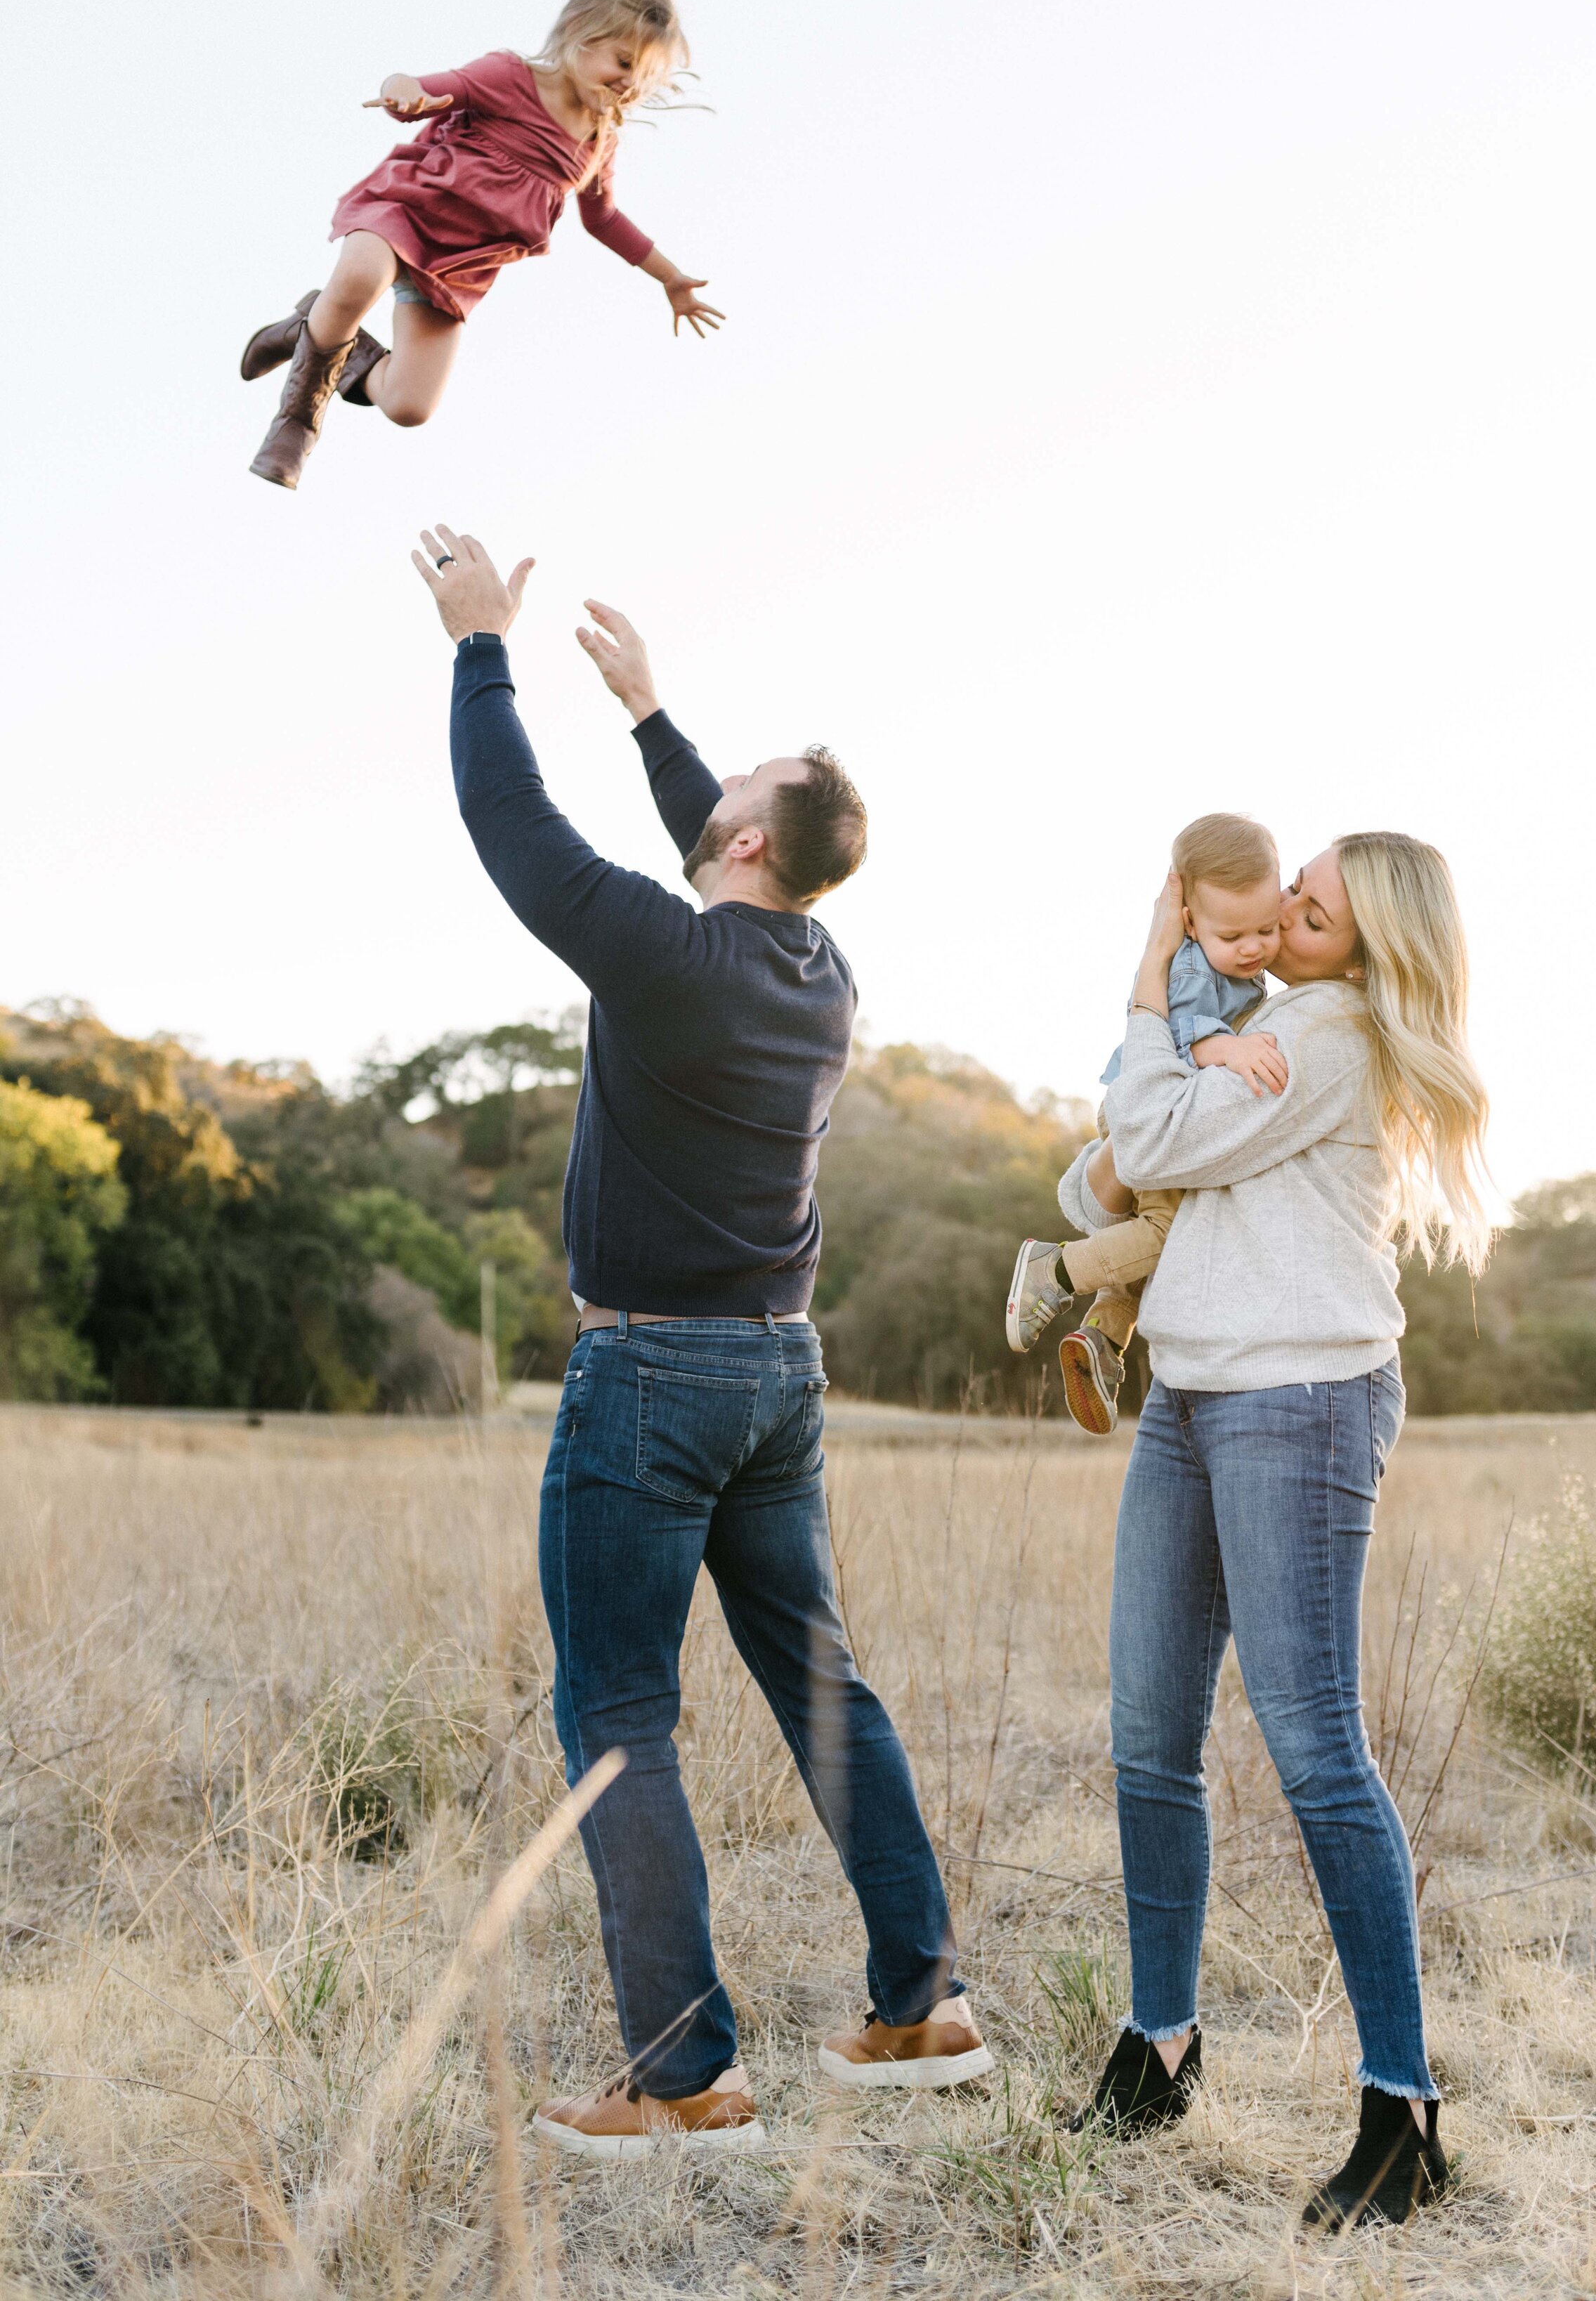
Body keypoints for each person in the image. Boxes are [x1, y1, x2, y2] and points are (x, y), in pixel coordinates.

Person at [411, 525, 991, 2160]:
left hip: (650, 1380)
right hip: (776, 1379)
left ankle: (683, 2076)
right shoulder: (818, 967)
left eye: (720, 788)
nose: (704, 802)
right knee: (820, 1684)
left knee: (618, 1716)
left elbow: (510, 827)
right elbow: (720, 842)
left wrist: (480, 649)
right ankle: (921, 2001)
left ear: (741, 839)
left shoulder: (666, 957)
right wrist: (658, 717)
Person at [1066, 836, 1491, 2234]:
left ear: (1366, 949)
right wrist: (1152, 1105)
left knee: (1314, 1752)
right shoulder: (1249, 1022)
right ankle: (1160, 2048)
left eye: (1309, 915)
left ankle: (1399, 2106)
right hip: (1187, 1401)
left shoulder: (1329, 1032)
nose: (1278, 923)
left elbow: (1141, 1144)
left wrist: (1146, 995)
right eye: (1287, 899)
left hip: (1296, 1405)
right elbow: (1106, 1183)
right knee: (1145, 1737)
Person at [244, 0, 721, 489]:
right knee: (359, 278)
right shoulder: (511, 76)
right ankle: (297, 422)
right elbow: (428, 88)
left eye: (643, 75)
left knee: (409, 405)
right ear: (581, 28)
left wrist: (670, 278)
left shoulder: (597, 141)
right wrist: (403, 92)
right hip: (407, 211)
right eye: (623, 60)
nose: (629, 83)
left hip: (458, 268)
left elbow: (602, 217)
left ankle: (318, 329)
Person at [1005, 813, 1288, 1433]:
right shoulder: (1189, 969)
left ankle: (1104, 1340)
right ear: (1188, 919)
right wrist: (1233, 1051)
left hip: (1163, 1113)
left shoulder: (1233, 958)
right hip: (1147, 1105)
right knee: (1163, 1232)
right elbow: (1182, 1035)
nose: (1255, 947)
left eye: (1268, 929)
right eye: (1235, 933)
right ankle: (1054, 1270)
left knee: (1156, 1239)